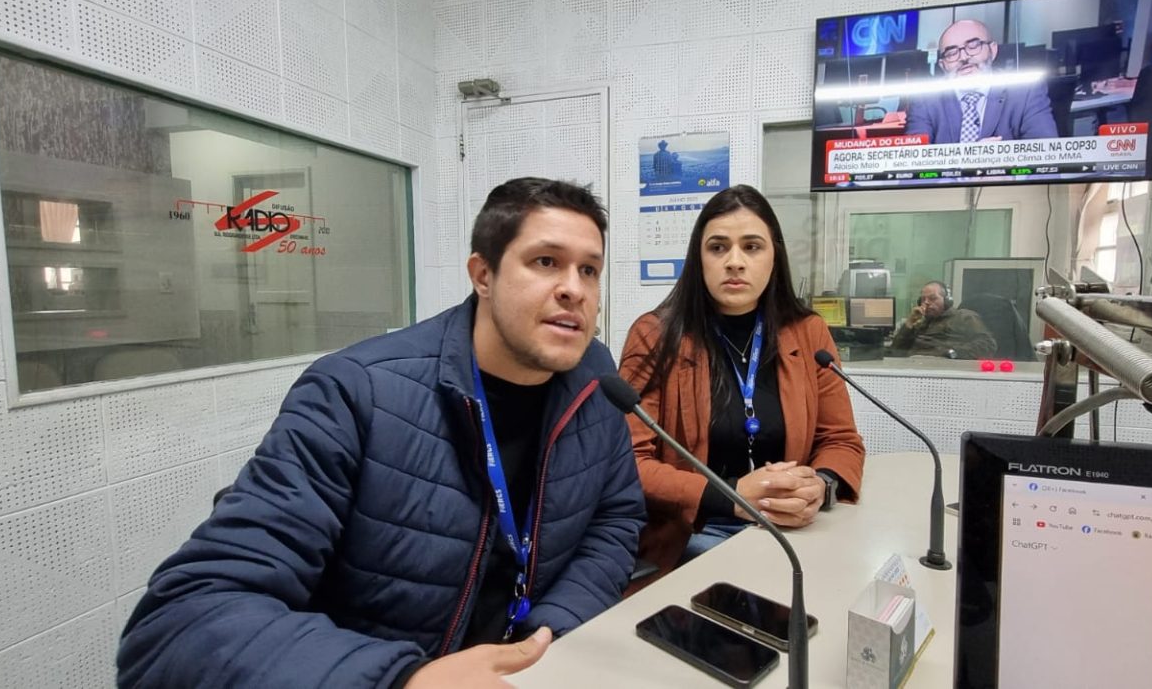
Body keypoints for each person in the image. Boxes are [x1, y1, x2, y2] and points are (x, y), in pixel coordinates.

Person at [117, 178, 645, 688]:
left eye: (589, 270)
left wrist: (550, 635)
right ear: (483, 275)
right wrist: (401, 678)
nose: (573, 289)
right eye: (546, 262)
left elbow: (615, 517)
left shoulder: (595, 379)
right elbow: (178, 625)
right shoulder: (356, 393)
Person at [619, 185, 866, 575]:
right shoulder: (655, 335)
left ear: (774, 256)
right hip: (696, 535)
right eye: (718, 247)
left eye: (752, 247)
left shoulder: (808, 332)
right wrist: (730, 496)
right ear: (698, 258)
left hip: (791, 529)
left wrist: (821, 485)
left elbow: (840, 439)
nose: (734, 262)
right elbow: (628, 460)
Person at [904, 19, 1059, 144]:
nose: (964, 57)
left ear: (993, 50)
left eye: (973, 46)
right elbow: (914, 161)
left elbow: (1045, 151)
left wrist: (1003, 159)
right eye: (952, 53)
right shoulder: (925, 100)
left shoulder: (1026, 91)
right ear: (942, 65)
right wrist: (972, 157)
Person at [889, 281, 997, 360]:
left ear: (947, 301)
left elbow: (988, 345)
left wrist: (952, 353)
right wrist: (909, 323)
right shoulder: (921, 322)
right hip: (914, 366)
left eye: (932, 298)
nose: (926, 303)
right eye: (923, 299)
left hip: (944, 369)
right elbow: (895, 351)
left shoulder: (964, 317)